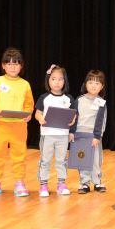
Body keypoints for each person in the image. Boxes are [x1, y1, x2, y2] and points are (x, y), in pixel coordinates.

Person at [0, 48, 34, 197]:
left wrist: (27, 114)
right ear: (3, 65)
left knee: (19, 154)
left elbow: (29, 103)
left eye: (16, 64)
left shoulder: (25, 84)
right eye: (9, 63)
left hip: (19, 126)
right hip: (0, 125)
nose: (12, 66)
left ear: (21, 66)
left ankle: (19, 182)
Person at [35, 65, 77, 196]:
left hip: (63, 135)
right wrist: (40, 118)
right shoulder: (44, 97)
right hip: (47, 135)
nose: (57, 82)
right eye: (53, 79)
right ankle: (43, 185)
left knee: (61, 160)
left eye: (60, 79)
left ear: (65, 81)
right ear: (48, 80)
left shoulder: (69, 98)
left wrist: (72, 122)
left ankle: (61, 183)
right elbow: (37, 113)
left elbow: (73, 115)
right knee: (45, 160)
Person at [70, 70, 108, 194]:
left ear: (102, 86)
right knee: (82, 159)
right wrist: (72, 132)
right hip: (80, 135)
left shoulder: (101, 102)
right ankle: (84, 183)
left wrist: (97, 135)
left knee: (96, 160)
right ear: (85, 84)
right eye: (90, 82)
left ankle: (97, 182)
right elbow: (73, 118)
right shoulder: (79, 100)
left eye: (97, 83)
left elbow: (101, 120)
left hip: (93, 136)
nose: (93, 85)